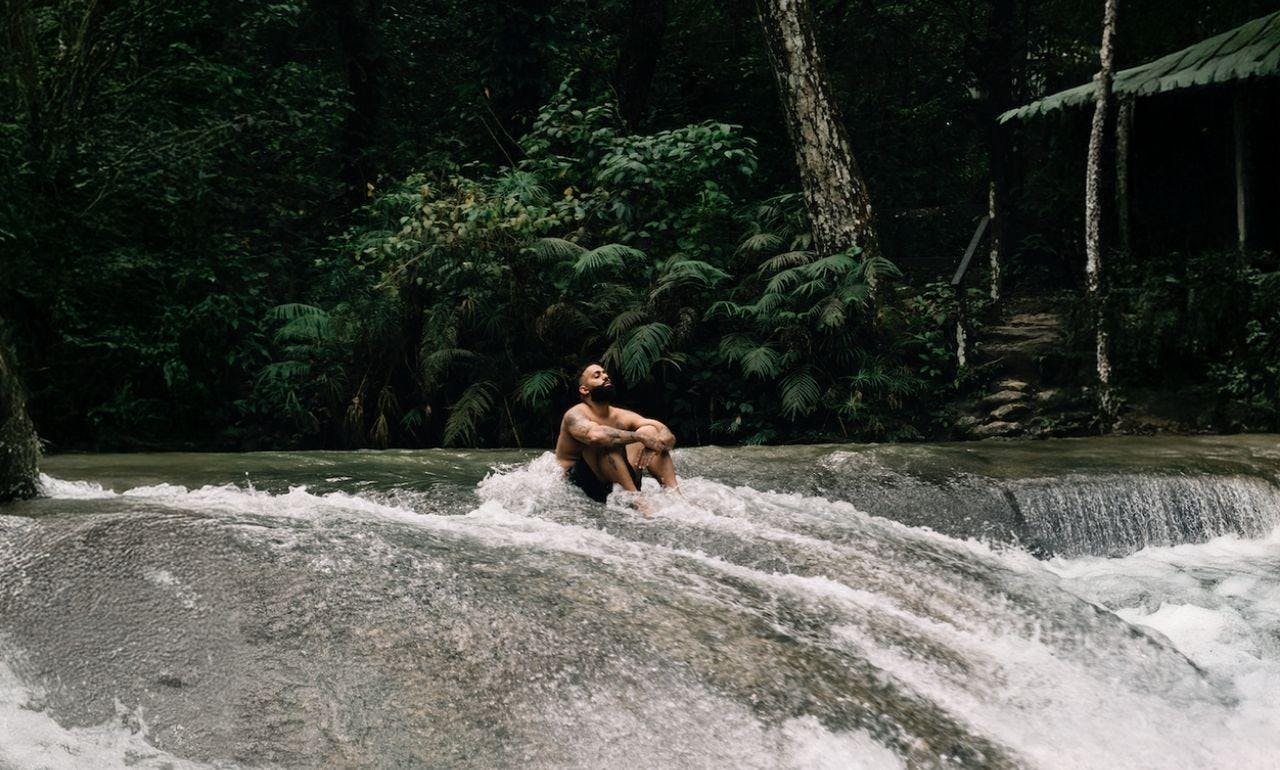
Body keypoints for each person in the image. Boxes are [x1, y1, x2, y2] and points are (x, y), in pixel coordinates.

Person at [555, 363, 678, 509]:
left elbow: (669, 438)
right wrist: (640, 438)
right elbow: (595, 437)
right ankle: (640, 504)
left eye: (604, 373)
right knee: (605, 440)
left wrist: (653, 444)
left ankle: (675, 496)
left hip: (620, 479)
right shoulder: (574, 414)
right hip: (584, 485)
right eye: (597, 375)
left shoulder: (620, 415)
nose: (605, 376)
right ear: (584, 389)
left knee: (650, 429)